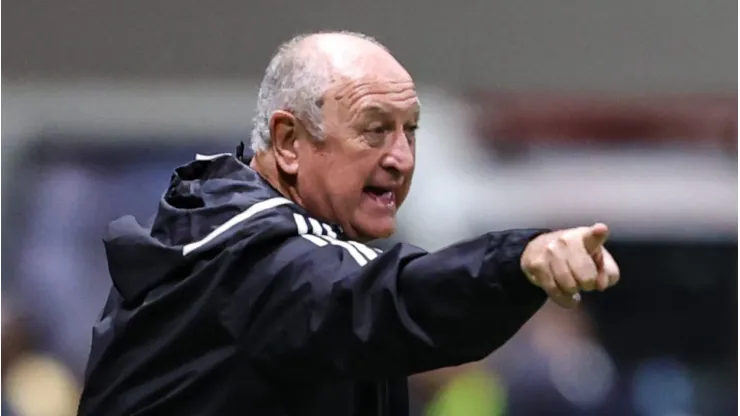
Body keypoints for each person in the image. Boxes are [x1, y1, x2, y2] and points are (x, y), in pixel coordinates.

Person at [77, 31, 620, 416]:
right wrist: (516, 261)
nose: (402, 158)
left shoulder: (224, 228)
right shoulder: (258, 257)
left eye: (410, 131)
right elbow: (380, 296)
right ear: (289, 142)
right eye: (375, 130)